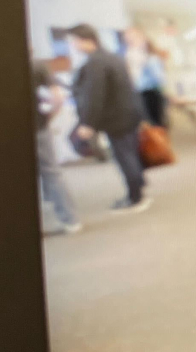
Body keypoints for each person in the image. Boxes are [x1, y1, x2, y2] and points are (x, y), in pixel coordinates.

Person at [67, 24, 151, 213]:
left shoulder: (95, 63)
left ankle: (135, 198)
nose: (73, 45)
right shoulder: (113, 57)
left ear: (86, 40)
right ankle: (139, 189)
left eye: (74, 41)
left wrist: (88, 123)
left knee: (124, 156)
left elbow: (94, 96)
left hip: (116, 119)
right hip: (128, 115)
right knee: (130, 154)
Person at [33, 59, 81, 234]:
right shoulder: (36, 65)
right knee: (51, 172)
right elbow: (58, 98)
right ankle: (70, 220)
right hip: (37, 126)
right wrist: (47, 118)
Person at [124, 27, 168, 128]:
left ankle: (159, 143)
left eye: (133, 37)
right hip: (139, 93)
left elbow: (160, 78)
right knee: (147, 125)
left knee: (155, 126)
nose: (130, 41)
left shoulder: (150, 56)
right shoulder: (131, 54)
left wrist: (144, 63)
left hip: (151, 93)